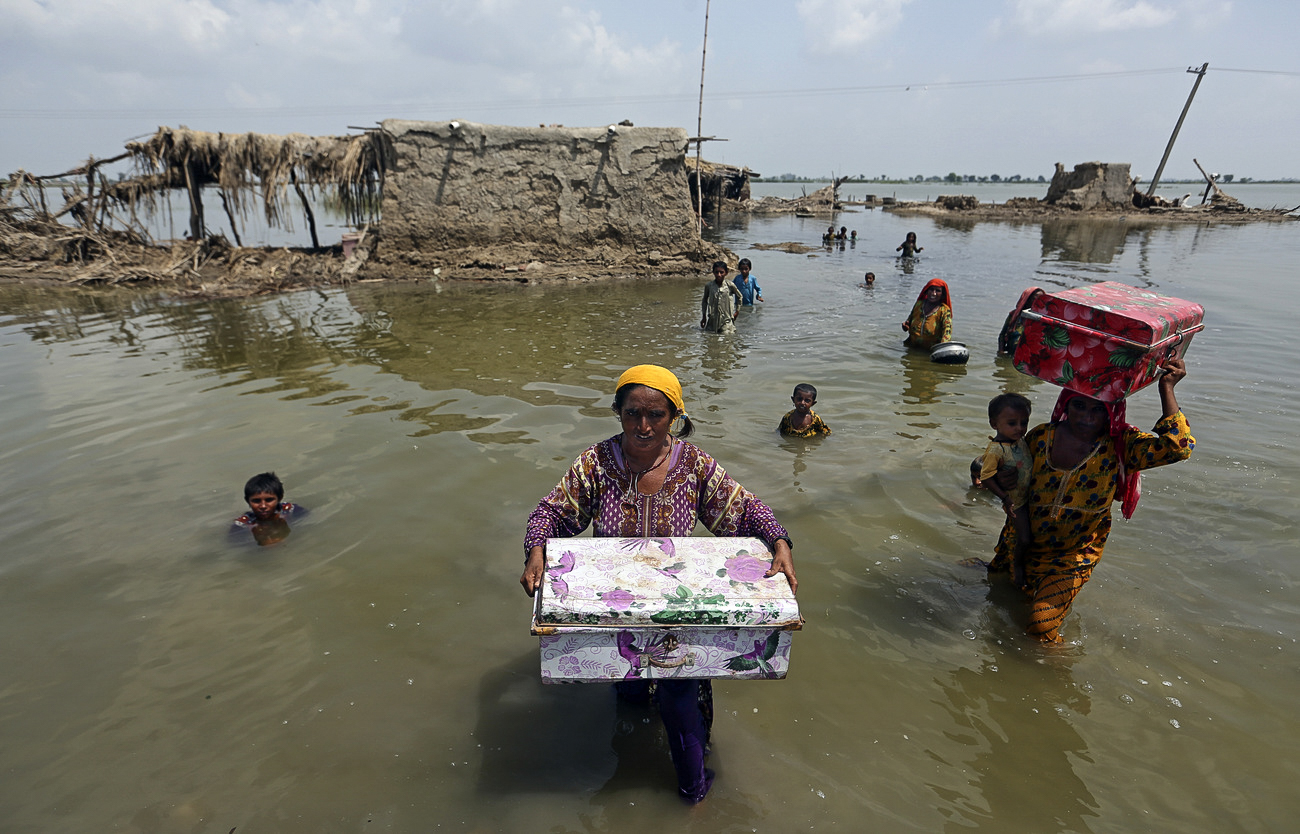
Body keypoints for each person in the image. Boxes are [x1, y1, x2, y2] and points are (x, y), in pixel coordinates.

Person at [521, 365, 796, 803]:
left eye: (656, 415)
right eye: (632, 414)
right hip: (616, 607)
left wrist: (778, 541)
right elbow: (552, 513)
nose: (643, 427)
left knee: (681, 700)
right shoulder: (595, 464)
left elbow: (743, 510)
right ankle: (628, 768)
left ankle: (693, 797)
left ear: (675, 416)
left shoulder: (694, 465)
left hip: (678, 608)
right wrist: (536, 548)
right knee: (627, 692)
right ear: (618, 412)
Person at [985, 360, 1194, 642]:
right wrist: (1003, 477)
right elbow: (997, 459)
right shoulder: (1041, 436)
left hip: (1071, 556)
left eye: (1098, 409)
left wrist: (1166, 387)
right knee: (995, 592)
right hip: (1021, 542)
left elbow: (1178, 447)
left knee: (1041, 627)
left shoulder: (1122, 445)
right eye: (1079, 406)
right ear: (1066, 406)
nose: (1087, 416)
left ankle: (1055, 674)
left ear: (1111, 412)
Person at [978, 393, 1033, 587]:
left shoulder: (1019, 441)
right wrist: (1004, 498)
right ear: (994, 424)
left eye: (1024, 422)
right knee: (1025, 538)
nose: (1019, 428)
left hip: (1029, 495)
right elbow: (986, 476)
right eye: (1012, 423)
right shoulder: (996, 450)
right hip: (1016, 501)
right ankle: (1017, 566)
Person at [231, 472, 306, 545]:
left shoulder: (289, 510)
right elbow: (236, 542)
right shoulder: (243, 523)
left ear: (280, 498)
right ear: (248, 501)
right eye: (256, 501)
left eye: (269, 500)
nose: (263, 506)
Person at [902, 278, 953, 350]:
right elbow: (909, 321)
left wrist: (942, 348)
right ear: (926, 291)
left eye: (938, 291)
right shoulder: (919, 304)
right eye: (931, 289)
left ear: (943, 295)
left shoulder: (944, 310)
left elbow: (947, 332)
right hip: (912, 347)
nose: (933, 293)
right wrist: (905, 326)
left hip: (931, 350)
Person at [700, 261, 743, 333]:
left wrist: (737, 312)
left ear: (726, 273)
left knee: (727, 339)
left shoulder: (730, 285)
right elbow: (704, 300)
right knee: (710, 339)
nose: (719, 275)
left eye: (721, 272)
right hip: (712, 320)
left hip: (726, 320)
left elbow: (740, 297)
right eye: (716, 272)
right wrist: (704, 316)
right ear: (713, 272)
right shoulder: (709, 286)